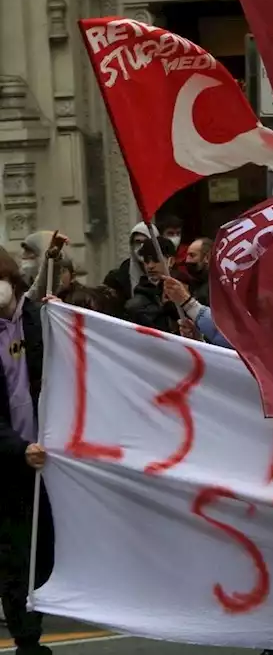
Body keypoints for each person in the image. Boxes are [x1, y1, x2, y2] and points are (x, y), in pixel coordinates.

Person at [0, 249, 51, 655]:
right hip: (10, 463)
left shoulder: (43, 320)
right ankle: (28, 642)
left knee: (47, 553)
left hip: (54, 462)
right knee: (15, 560)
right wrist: (19, 448)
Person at [124, 237, 178, 334]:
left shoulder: (188, 292)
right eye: (146, 261)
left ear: (171, 261)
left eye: (156, 260)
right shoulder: (135, 305)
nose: (150, 266)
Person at [103, 222, 157, 303]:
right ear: (131, 245)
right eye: (138, 242)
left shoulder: (167, 275)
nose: (141, 247)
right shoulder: (116, 279)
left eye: (146, 242)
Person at [181, 237, 212, 306]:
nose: (187, 260)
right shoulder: (192, 283)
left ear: (207, 258)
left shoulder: (215, 286)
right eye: (187, 255)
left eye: (192, 255)